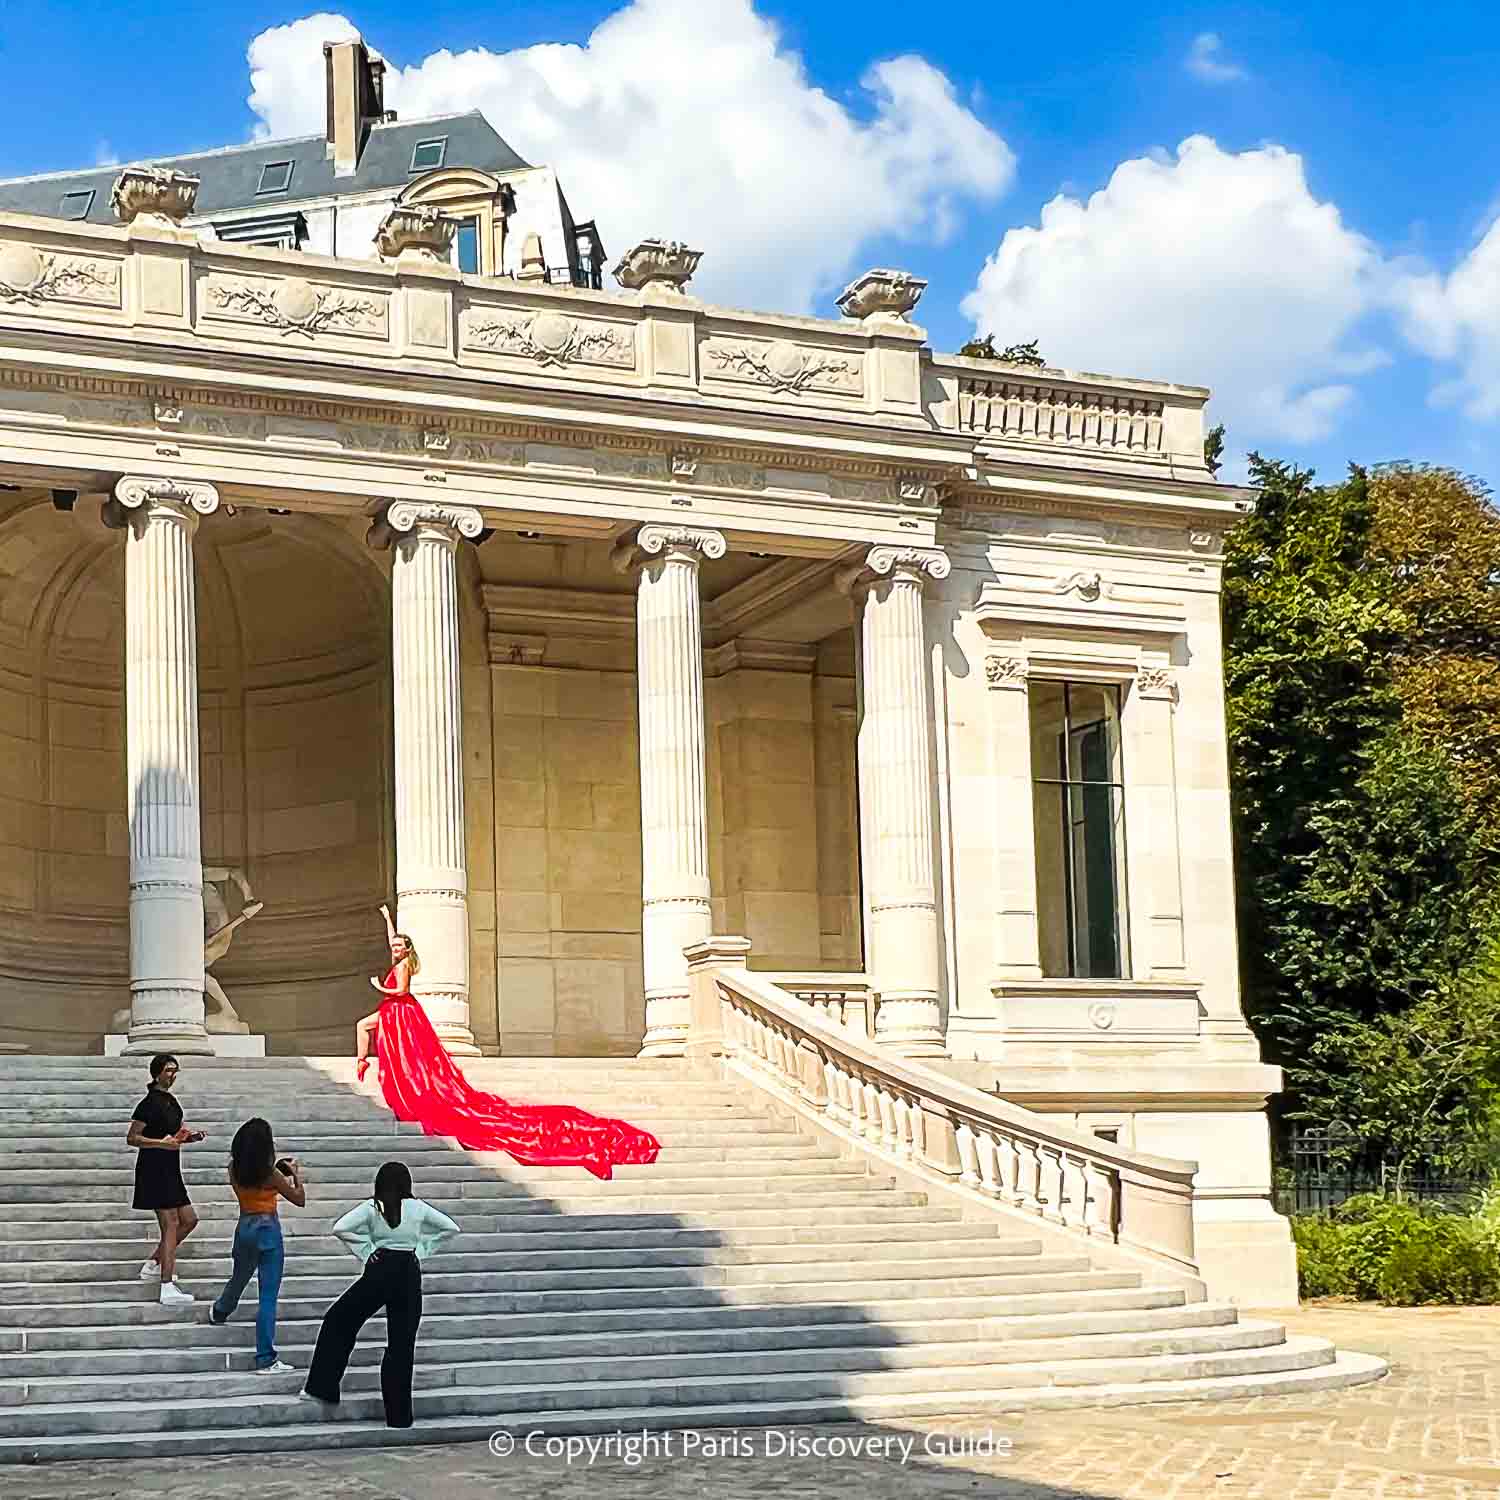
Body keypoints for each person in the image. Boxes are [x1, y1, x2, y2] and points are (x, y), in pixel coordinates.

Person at [354, 903, 660, 1179]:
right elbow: (392, 941)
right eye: (393, 946)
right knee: (364, 1026)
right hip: (394, 1012)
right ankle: (362, 1059)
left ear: (407, 950)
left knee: (400, 1050)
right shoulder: (398, 954)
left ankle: (372, 1063)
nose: (393, 949)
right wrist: (387, 919)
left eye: (398, 946)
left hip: (400, 1009)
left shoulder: (404, 966)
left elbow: (402, 992)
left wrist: (379, 985)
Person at [300, 1161, 459, 1427]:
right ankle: (399, 1417)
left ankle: (322, 1386)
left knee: (339, 1320)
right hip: (408, 1271)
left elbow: (341, 1227)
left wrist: (366, 1250)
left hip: (380, 1268)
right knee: (401, 1345)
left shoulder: (373, 1207)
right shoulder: (418, 1208)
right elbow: (451, 1228)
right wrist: (420, 1251)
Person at [208, 1118, 306, 1374]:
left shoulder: (234, 1168)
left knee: (240, 1275)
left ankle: (220, 1310)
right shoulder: (271, 1174)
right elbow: (299, 1199)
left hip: (245, 1226)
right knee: (268, 1296)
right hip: (268, 1229)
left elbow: (251, 1183)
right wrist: (295, 1175)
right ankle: (265, 1357)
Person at [126, 1053, 206, 1307]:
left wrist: (189, 1137)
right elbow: (133, 1137)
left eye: (175, 1070)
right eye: (169, 1070)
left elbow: (176, 1133)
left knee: (189, 1220)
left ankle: (154, 1263)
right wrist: (161, 1143)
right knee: (170, 1223)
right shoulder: (147, 1104)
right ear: (157, 1073)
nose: (173, 1075)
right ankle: (166, 1285)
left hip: (171, 1168)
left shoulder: (171, 1102)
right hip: (154, 1168)